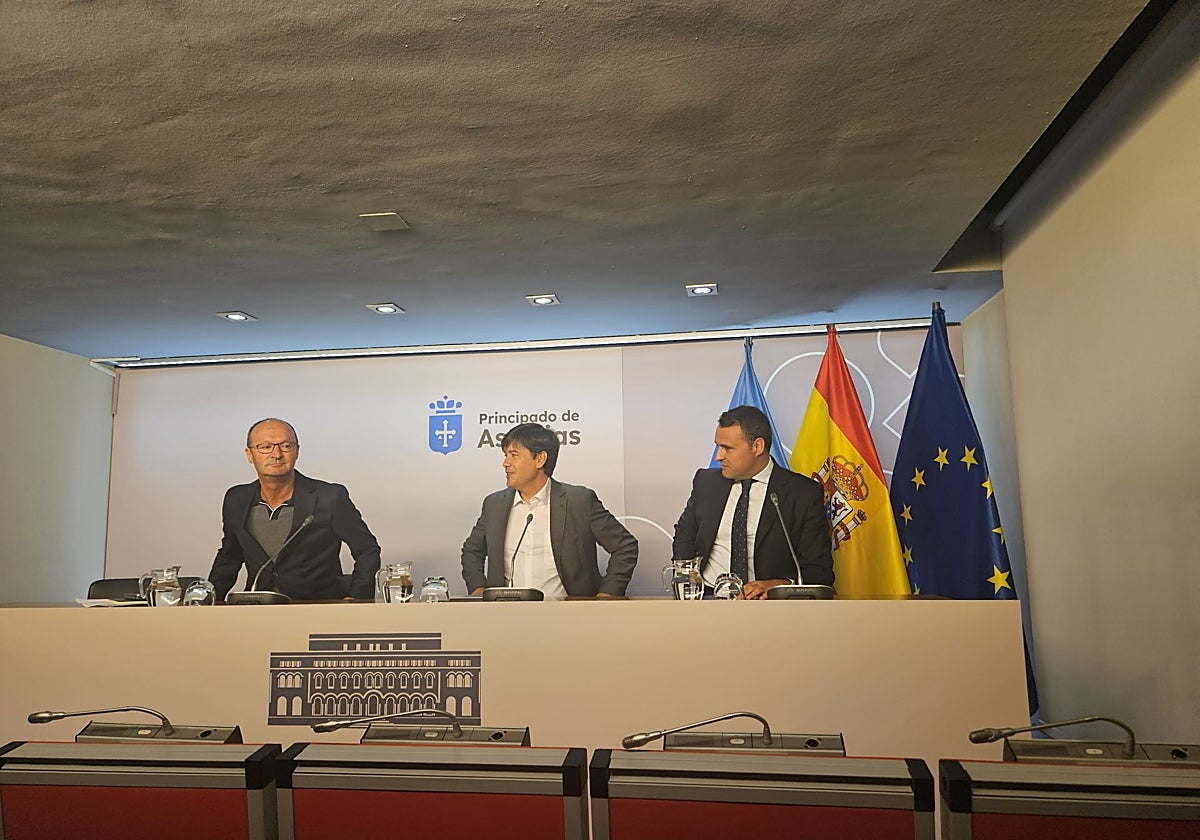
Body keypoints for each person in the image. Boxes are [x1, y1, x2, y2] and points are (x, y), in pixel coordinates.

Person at [208, 418, 381, 601]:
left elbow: (367, 550)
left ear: (297, 451)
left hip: (318, 608)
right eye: (266, 447)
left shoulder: (328, 497)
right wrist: (207, 599)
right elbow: (230, 556)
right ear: (249, 455)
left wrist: (357, 599)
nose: (276, 454)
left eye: (286, 446)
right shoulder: (237, 499)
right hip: (258, 607)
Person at [672, 405, 834, 599]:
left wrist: (779, 586)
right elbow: (684, 535)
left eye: (727, 448)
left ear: (757, 446)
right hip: (707, 598)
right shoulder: (706, 482)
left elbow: (820, 570)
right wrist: (686, 579)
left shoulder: (802, 494)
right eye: (718, 446)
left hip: (767, 605)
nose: (718, 456)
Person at [461, 423, 638, 598]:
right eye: (505, 455)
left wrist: (607, 594)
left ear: (540, 459)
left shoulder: (579, 501)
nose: (505, 463)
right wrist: (478, 591)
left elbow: (625, 547)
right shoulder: (494, 504)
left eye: (514, 455)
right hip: (506, 616)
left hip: (569, 616)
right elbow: (472, 551)